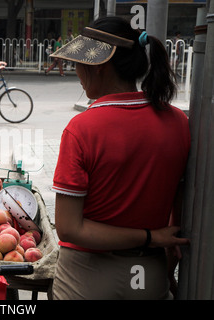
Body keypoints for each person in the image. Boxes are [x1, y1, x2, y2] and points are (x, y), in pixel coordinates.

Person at [49, 17, 190, 300]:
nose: (76, 71)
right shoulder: (178, 122)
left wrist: (150, 236)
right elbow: (180, 206)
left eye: (77, 63)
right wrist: (160, 247)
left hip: (86, 278)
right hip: (147, 274)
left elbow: (69, 229)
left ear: (98, 66)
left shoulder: (82, 129)